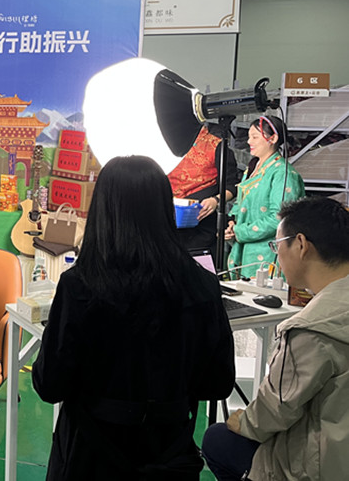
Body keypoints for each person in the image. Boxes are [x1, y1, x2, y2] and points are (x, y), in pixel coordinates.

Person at [32, 156, 235, 480]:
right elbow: (218, 382)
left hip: (91, 458)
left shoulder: (80, 286)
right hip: (170, 455)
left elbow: (50, 385)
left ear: (102, 211)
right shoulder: (202, 285)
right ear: (165, 210)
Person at [202, 197, 349, 480]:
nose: (276, 255)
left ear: (301, 245)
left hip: (323, 466)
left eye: (277, 244)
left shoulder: (311, 329)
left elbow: (274, 412)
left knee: (218, 438)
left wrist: (244, 421)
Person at [225, 116, 305, 278]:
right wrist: (232, 225)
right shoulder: (253, 168)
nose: (249, 141)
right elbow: (240, 204)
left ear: (273, 139)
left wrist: (240, 231)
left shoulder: (283, 173)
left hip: (268, 255)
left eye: (255, 137)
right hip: (246, 251)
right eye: (249, 137)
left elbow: (280, 219)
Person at [167, 123, 239, 254]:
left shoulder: (216, 145)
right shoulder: (166, 145)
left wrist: (215, 200)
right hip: (167, 222)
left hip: (200, 225)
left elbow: (232, 186)